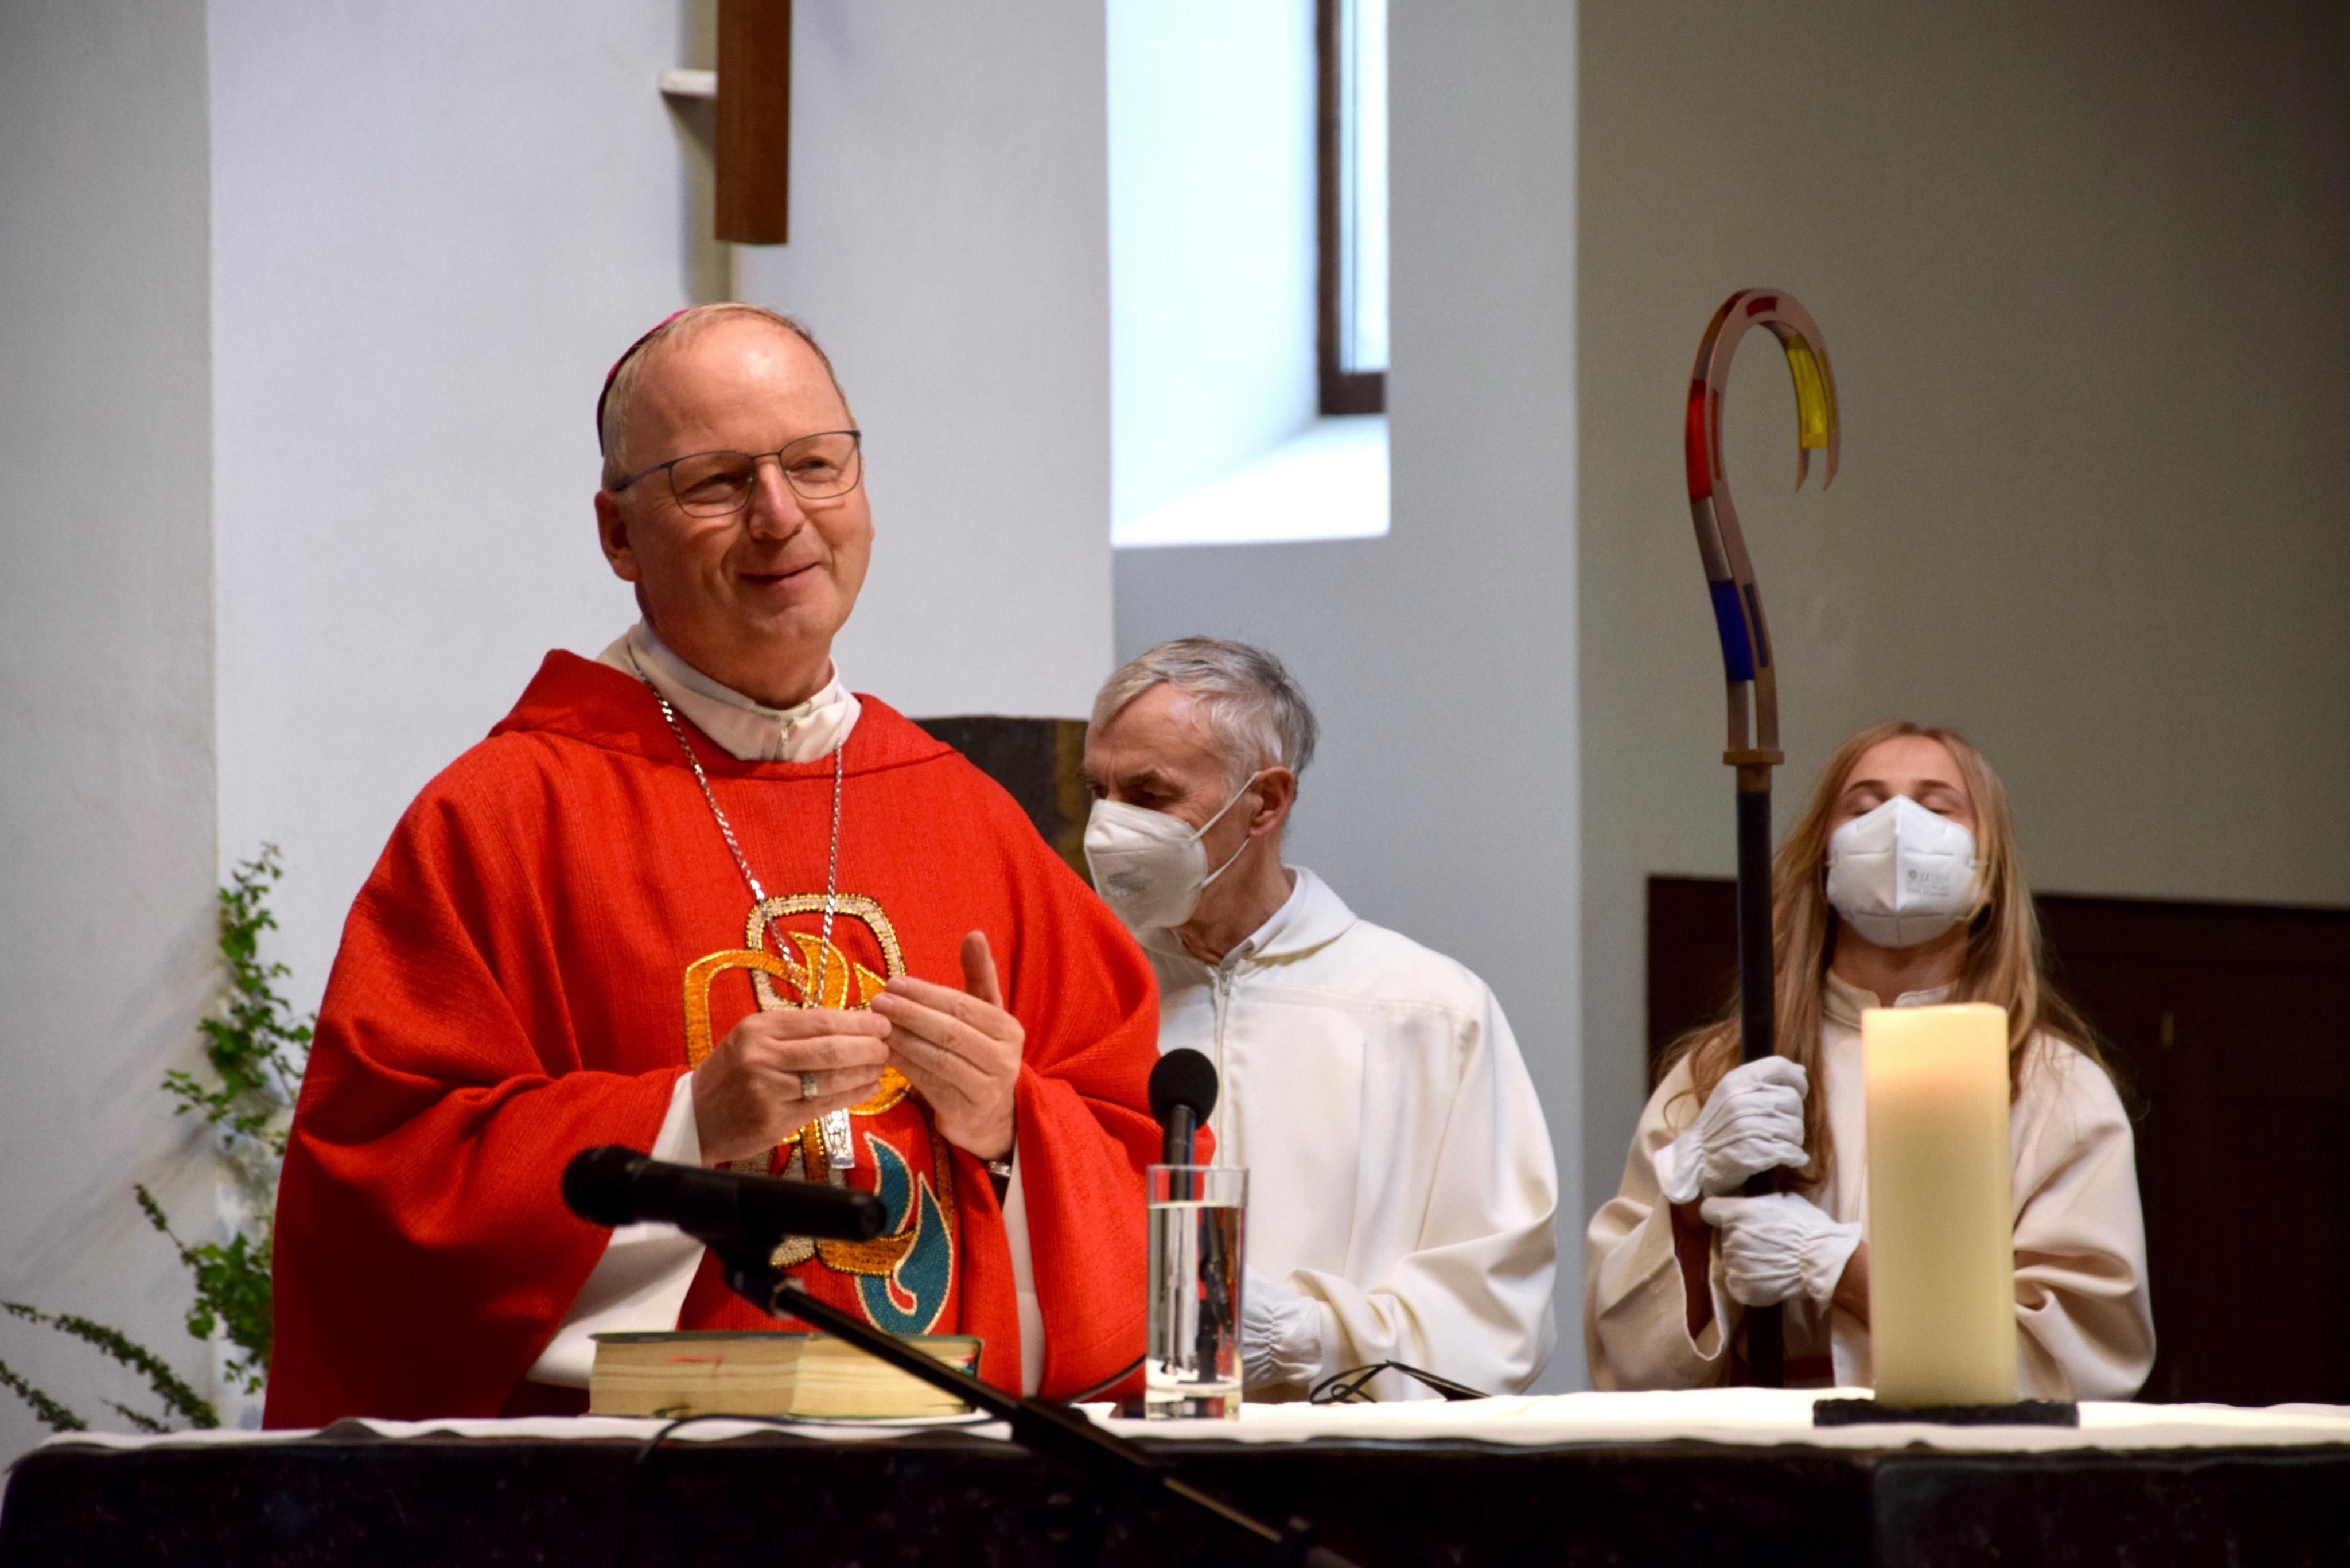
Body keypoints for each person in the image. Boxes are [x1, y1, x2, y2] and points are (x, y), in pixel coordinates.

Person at [266, 304, 1163, 1426]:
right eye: (717, 482)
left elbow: (1149, 1164)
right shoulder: (501, 817)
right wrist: (687, 1121)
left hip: (947, 1474)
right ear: (618, 534)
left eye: (814, 465)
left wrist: (1011, 1127)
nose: (780, 515)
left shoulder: (970, 818)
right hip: (624, 1488)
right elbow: (379, 1188)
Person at [1585, 722, 2154, 1397]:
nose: (1896, 826)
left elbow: (2079, 1362)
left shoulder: (2054, 1089)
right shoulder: (1724, 1072)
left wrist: (1841, 1269)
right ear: (1824, 862)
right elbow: (1631, 1362)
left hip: (1950, 1450)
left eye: (1937, 806)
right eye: (1863, 805)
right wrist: (1687, 1200)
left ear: (1988, 877)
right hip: (1757, 1441)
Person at [1083, 638, 1558, 1400]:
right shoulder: (1086, 1000)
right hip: (1122, 1454)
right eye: (1098, 791)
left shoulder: (1430, 1013)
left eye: (1149, 794)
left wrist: (1299, 1336)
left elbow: (1497, 1311)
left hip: (1347, 1456)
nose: (1109, 827)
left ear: (1266, 802)